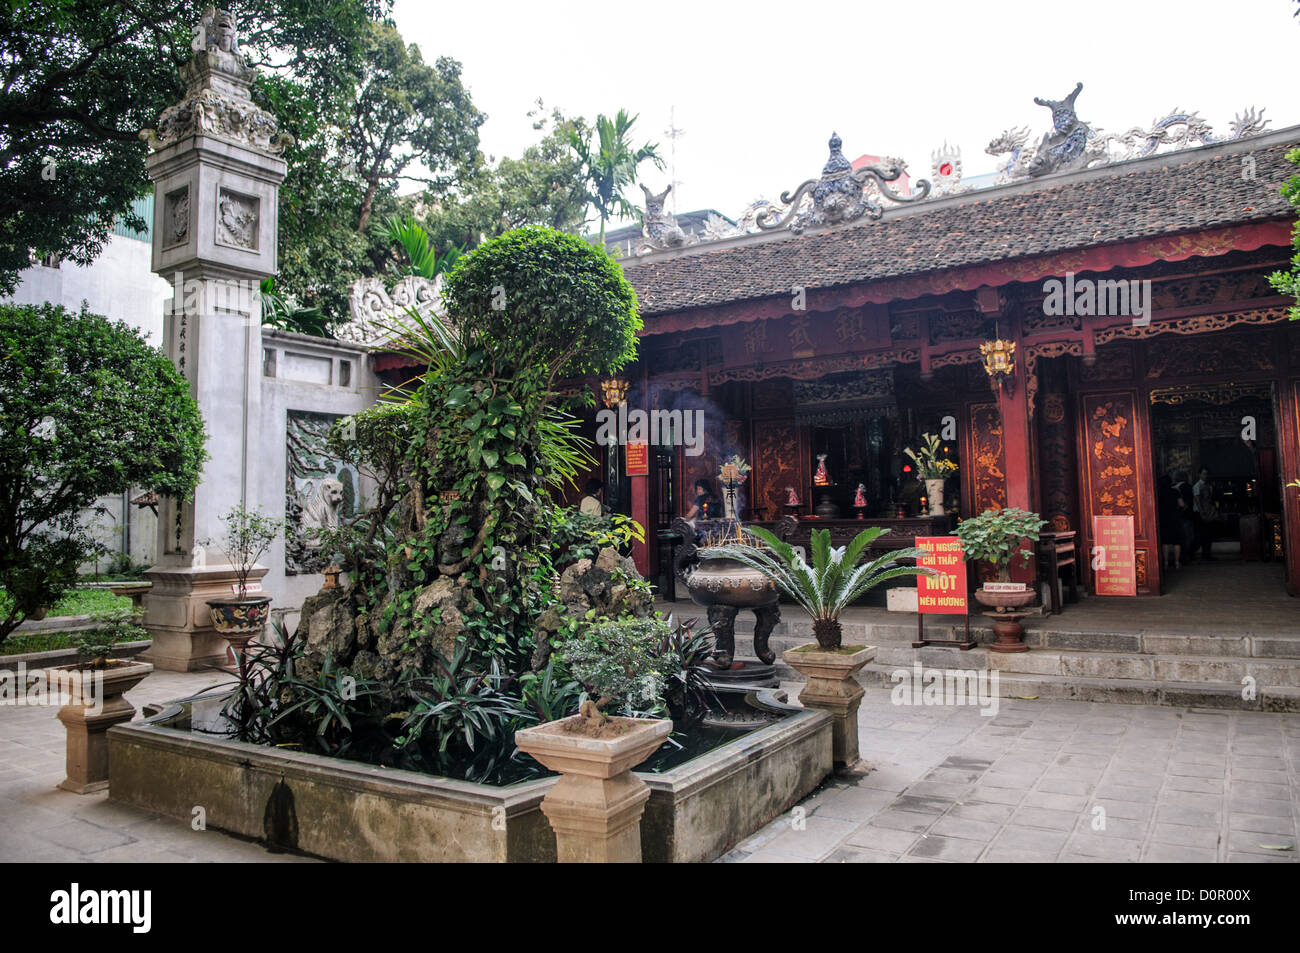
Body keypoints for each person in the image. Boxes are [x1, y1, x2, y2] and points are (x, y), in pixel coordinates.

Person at [1158, 473, 1184, 570]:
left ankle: (1166, 563)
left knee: (1165, 542)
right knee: (1176, 541)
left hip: (1163, 519)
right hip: (1174, 518)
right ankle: (1177, 563)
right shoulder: (1175, 491)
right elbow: (1181, 505)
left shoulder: (1158, 492)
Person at [1193, 467, 1217, 560]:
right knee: (1203, 534)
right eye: (1203, 474)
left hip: (1208, 512)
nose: (1205, 476)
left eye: (1206, 474)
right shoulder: (1197, 486)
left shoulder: (1208, 485)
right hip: (1200, 513)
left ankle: (1207, 553)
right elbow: (1197, 500)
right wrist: (1202, 513)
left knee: (1209, 534)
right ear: (1199, 474)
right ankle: (1203, 553)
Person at [1172, 469, 1196, 558]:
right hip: (1187, 515)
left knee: (1181, 537)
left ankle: (1182, 555)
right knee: (1188, 536)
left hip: (1177, 516)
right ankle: (1188, 555)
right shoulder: (1187, 487)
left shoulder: (1173, 488)